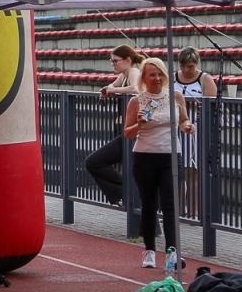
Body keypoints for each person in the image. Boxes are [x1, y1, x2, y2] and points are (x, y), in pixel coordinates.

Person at [124, 57, 193, 268]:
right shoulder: (137, 101)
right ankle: (149, 250)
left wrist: (187, 126)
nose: (156, 78)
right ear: (144, 77)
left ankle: (172, 251)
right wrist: (139, 124)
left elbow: (183, 120)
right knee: (149, 204)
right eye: (152, 74)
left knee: (171, 205)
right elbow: (127, 133)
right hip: (145, 155)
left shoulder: (176, 96)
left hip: (171, 155)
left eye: (160, 74)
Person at [84, 44, 144, 206]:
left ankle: (127, 194)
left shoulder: (133, 71)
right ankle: (126, 194)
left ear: (128, 60)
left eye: (115, 61)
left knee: (94, 162)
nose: (113, 64)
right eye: (111, 61)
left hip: (133, 131)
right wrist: (106, 90)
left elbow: (136, 89)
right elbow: (111, 86)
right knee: (96, 163)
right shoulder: (124, 74)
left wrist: (113, 91)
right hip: (123, 129)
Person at [172, 47, 217, 218]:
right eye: (183, 66)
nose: (186, 70)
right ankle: (177, 209)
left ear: (196, 64)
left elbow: (211, 106)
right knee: (177, 169)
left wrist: (197, 105)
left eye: (190, 66)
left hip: (196, 129)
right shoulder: (173, 78)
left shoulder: (204, 79)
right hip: (176, 127)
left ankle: (193, 210)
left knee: (193, 171)